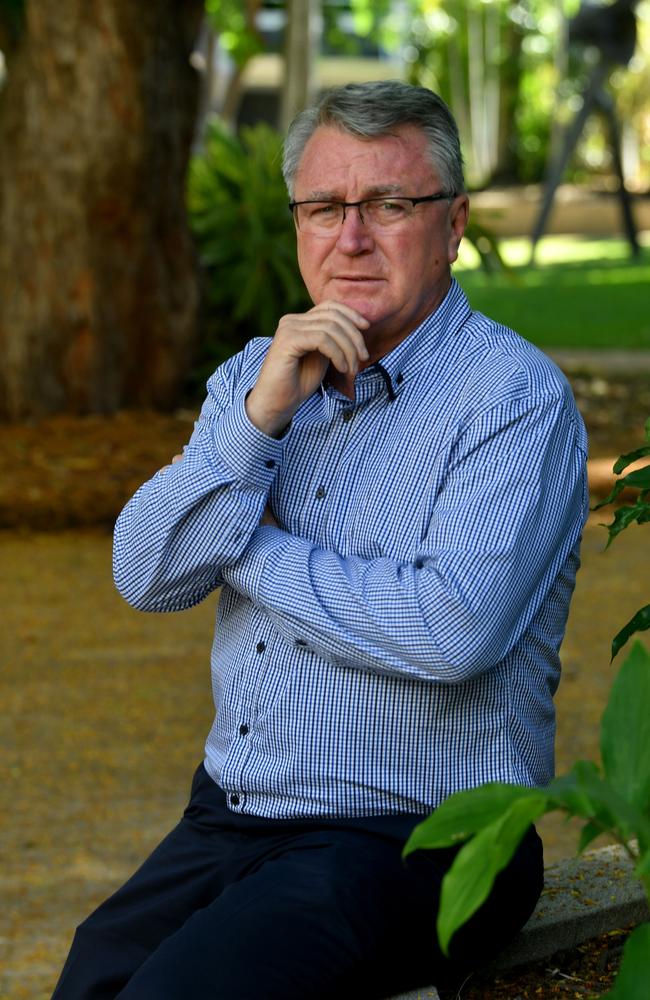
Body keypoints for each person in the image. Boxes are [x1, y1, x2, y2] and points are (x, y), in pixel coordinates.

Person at [52, 81, 588, 1000]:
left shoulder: (511, 400)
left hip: (420, 837)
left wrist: (250, 550)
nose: (352, 237)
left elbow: (452, 630)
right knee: (93, 980)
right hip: (233, 817)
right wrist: (259, 418)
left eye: (390, 203)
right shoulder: (251, 381)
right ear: (297, 222)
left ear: (452, 223)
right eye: (325, 207)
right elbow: (145, 572)